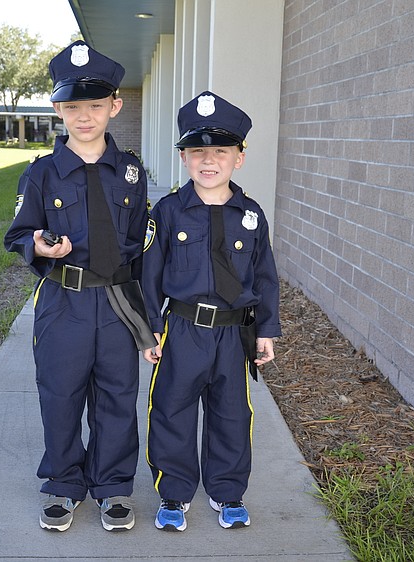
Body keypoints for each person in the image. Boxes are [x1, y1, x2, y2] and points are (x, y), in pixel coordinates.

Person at [4, 40, 150, 533]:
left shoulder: (131, 173)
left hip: (115, 302)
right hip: (64, 301)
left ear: (114, 106)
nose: (83, 117)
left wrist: (145, 318)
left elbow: (139, 244)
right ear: (57, 110)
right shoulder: (41, 173)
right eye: (72, 107)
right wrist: (41, 248)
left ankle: (112, 488)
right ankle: (64, 485)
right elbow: (19, 233)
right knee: (61, 394)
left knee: (116, 395)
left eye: (94, 105)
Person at [141, 91, 282, 532]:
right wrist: (152, 329)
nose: (209, 161)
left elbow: (264, 278)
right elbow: (149, 276)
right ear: (183, 157)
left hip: (231, 337)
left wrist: (266, 330)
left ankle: (227, 493)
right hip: (182, 330)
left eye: (221, 151)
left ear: (239, 158)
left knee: (231, 415)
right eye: (197, 151)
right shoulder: (167, 212)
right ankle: (174, 494)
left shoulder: (251, 216)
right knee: (172, 409)